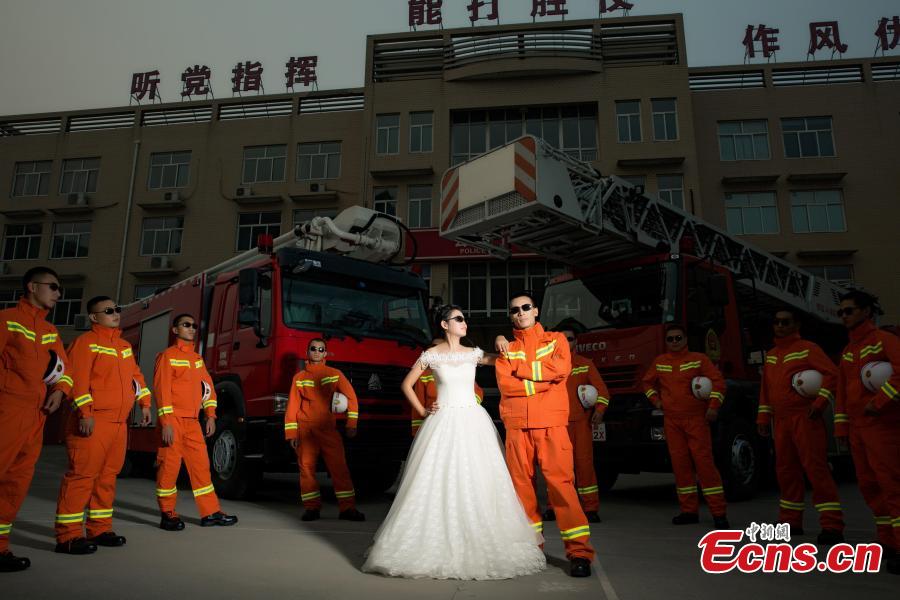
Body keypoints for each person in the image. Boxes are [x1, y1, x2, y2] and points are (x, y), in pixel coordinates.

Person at [362, 305, 546, 580]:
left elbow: (503, 359)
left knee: (479, 478)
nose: (464, 323)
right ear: (444, 325)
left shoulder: (473, 354)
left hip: (473, 421)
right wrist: (423, 411)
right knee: (437, 480)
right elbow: (406, 385)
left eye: (464, 319)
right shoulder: (431, 355)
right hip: (443, 421)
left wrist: (500, 339)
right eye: (458, 319)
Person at [494, 293, 595, 578]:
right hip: (517, 427)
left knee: (562, 488)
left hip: (551, 424)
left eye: (526, 307)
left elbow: (560, 369)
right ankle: (531, 550)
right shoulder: (507, 350)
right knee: (521, 493)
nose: (520, 312)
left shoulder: (556, 340)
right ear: (511, 315)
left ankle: (579, 553)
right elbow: (506, 385)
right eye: (514, 309)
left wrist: (521, 371)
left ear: (536, 311)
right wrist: (541, 381)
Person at [54, 296, 153, 554]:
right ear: (94, 317)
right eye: (108, 311)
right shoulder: (85, 343)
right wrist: (85, 413)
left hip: (119, 424)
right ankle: (68, 536)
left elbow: (136, 377)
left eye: (117, 309)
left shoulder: (122, 346)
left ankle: (100, 529)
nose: (115, 313)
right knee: (82, 478)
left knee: (107, 478)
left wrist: (144, 404)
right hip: (94, 420)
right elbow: (78, 380)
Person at [0, 267, 73, 572]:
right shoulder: (6, 320)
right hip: (7, 409)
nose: (58, 294)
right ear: (32, 286)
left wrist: (60, 390)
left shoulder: (50, 331)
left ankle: (0, 547)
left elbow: (64, 369)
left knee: (16, 482)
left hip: (36, 415)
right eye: (53, 287)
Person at [756, 308, 844, 544]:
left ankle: (832, 525)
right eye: (777, 322)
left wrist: (820, 403)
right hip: (781, 422)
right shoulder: (773, 354)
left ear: (796, 325)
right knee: (785, 471)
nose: (780, 326)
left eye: (786, 322)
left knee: (816, 470)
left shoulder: (808, 349)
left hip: (805, 419)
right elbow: (766, 390)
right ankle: (790, 522)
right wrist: (763, 418)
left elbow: (832, 375)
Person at [833, 290, 900, 575]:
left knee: (893, 486)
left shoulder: (885, 341)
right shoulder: (848, 352)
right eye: (841, 312)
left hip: (884, 427)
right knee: (870, 486)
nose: (844, 316)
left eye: (849, 311)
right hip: (860, 430)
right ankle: (887, 540)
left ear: (866, 312)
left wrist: (879, 402)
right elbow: (842, 394)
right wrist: (841, 428)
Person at [641, 324, 729, 528]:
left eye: (678, 338)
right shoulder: (660, 362)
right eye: (670, 339)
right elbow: (646, 383)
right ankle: (689, 511)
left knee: (704, 465)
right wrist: (657, 402)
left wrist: (713, 407)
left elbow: (719, 383)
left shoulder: (699, 359)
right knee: (681, 467)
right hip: (671, 421)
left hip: (696, 419)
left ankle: (719, 513)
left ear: (685, 339)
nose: (674, 342)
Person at [154, 314, 237, 530]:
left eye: (193, 326)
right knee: (169, 469)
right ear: (175, 330)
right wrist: (166, 423)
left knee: (201, 468)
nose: (191, 329)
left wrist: (210, 415)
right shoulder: (167, 356)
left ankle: (210, 513)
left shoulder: (197, 359)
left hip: (192, 423)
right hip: (173, 421)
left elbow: (207, 389)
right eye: (186, 325)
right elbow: (162, 391)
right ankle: (167, 513)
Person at [284, 338, 364, 522]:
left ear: (325, 354)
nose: (317, 352)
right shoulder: (299, 378)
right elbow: (292, 407)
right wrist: (291, 433)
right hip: (305, 430)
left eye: (321, 349)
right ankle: (311, 509)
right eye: (313, 349)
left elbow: (351, 398)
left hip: (327, 429)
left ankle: (347, 509)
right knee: (306, 469)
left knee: (339, 468)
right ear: (307, 352)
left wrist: (351, 423)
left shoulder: (334, 374)